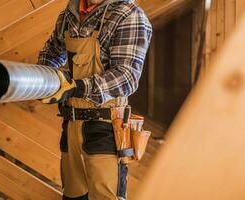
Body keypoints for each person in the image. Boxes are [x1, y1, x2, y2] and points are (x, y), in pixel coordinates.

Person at [37, 0, 152, 199]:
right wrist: (42, 78)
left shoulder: (128, 15)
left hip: (106, 126)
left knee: (104, 196)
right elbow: (52, 52)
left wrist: (77, 87)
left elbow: (127, 77)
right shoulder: (69, 14)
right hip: (71, 123)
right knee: (73, 195)